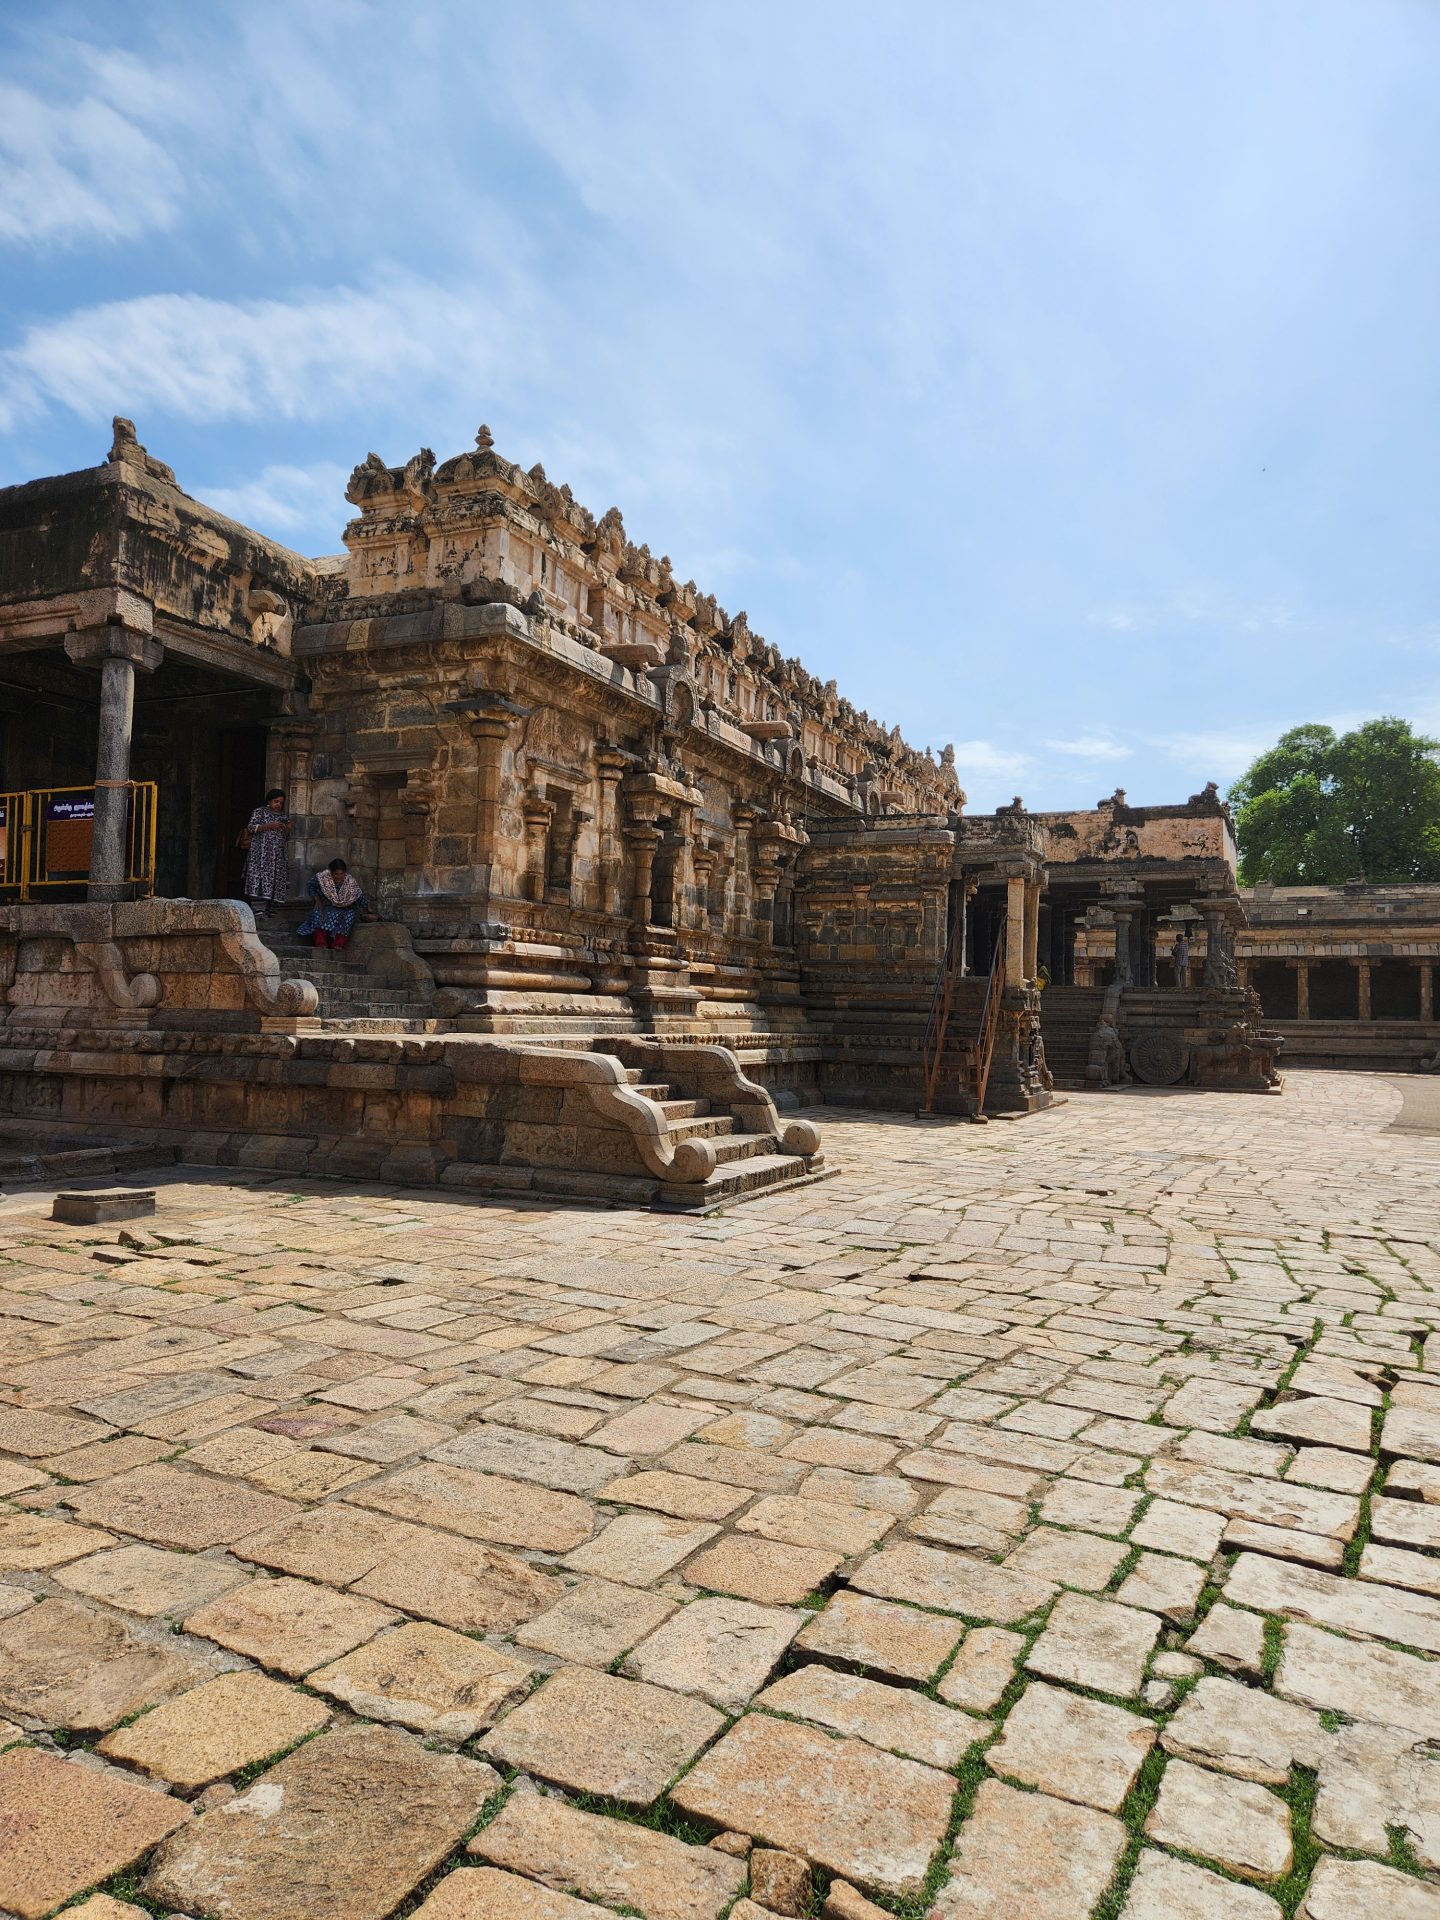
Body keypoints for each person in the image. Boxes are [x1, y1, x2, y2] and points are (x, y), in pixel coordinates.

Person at [296, 859, 376, 949]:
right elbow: (311, 885)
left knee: (349, 916)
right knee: (317, 914)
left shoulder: (350, 882)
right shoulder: (323, 878)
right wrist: (317, 899)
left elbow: (358, 896)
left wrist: (369, 909)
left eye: (341, 874)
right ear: (331, 872)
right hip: (327, 906)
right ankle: (320, 943)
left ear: (345, 873)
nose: (339, 876)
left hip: (345, 909)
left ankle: (338, 944)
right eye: (336, 874)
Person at [239, 788, 290, 917]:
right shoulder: (259, 812)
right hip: (260, 854)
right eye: (276, 801)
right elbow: (251, 827)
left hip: (277, 856)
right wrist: (269, 826)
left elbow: (286, 837)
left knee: (276, 881)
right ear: (269, 801)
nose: (278, 805)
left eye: (281, 803)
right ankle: (258, 910)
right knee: (259, 879)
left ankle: (271, 910)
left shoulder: (283, 817)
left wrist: (287, 829)